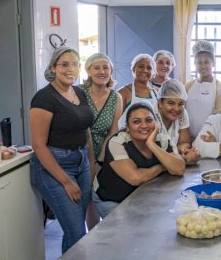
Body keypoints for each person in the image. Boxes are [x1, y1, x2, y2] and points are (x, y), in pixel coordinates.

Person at [30, 47, 95, 253]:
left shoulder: (79, 93)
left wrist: (90, 162)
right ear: (53, 68)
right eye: (64, 64)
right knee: (76, 232)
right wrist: (66, 181)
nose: (70, 69)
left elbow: (86, 130)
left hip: (81, 161)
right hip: (54, 166)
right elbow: (38, 145)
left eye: (75, 64)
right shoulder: (44, 98)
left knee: (74, 231)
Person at [92, 102, 185, 217]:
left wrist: (151, 144)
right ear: (127, 127)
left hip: (141, 198)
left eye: (149, 120)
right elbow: (136, 178)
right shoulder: (117, 142)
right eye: (136, 121)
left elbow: (179, 168)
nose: (144, 125)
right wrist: (163, 166)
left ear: (156, 123)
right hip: (113, 200)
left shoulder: (162, 139)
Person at [80, 52, 123, 229]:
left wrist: (99, 160)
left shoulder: (116, 97)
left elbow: (113, 130)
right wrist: (90, 159)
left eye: (106, 67)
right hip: (80, 151)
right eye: (96, 67)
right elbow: (82, 128)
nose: (102, 71)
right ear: (88, 71)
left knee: (96, 196)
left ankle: (94, 239)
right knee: (81, 198)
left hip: (103, 153)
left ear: (111, 71)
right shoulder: (78, 93)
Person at [185, 40, 221, 139]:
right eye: (199, 62)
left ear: (213, 63)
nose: (203, 66)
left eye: (206, 62)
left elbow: (220, 116)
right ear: (195, 64)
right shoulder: (188, 85)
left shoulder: (220, 87)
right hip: (187, 138)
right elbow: (182, 112)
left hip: (208, 138)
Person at [156, 79, 200, 164]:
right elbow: (152, 154)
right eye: (171, 103)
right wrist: (185, 158)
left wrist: (184, 151)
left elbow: (184, 142)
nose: (176, 109)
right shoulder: (150, 116)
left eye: (181, 104)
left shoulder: (183, 114)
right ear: (160, 103)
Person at [117, 54, 158, 129]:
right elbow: (116, 122)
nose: (145, 70)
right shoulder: (123, 93)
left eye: (149, 68)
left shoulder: (157, 92)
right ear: (133, 69)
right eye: (141, 66)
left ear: (153, 72)